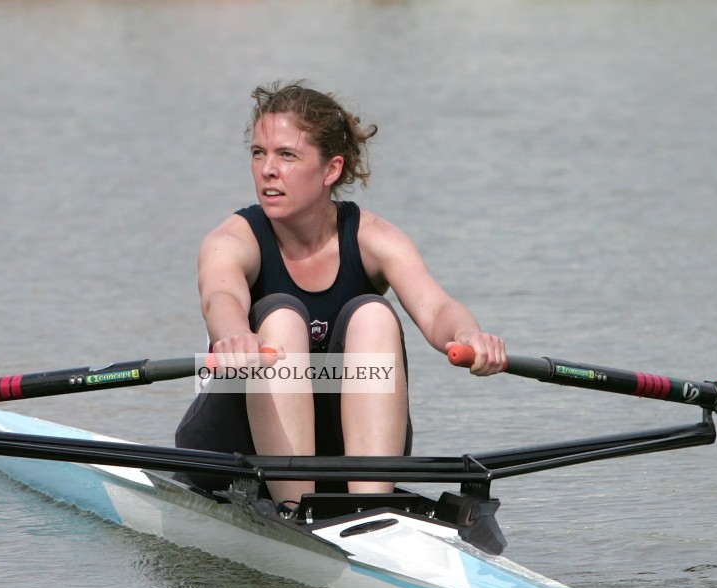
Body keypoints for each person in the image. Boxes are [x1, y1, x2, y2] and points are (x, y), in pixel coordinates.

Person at [176, 81, 506, 510]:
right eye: (259, 153)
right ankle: (294, 512)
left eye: (287, 155)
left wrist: (468, 334)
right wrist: (235, 334)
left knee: (373, 313)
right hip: (230, 446)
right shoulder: (232, 239)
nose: (267, 170)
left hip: (342, 444)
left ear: (331, 170)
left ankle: (370, 509)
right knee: (282, 318)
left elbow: (438, 306)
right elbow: (220, 297)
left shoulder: (374, 237)